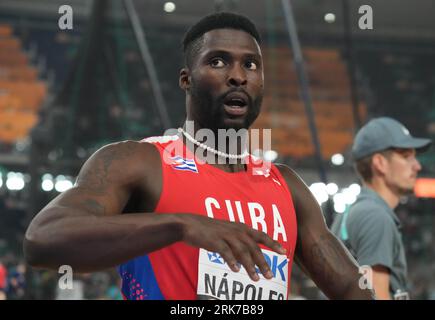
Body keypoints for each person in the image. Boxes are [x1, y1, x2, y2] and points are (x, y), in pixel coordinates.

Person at [24, 12, 374, 300]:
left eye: (251, 65)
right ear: (186, 80)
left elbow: (352, 291)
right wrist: (182, 225)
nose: (238, 75)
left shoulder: (287, 186)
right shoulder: (139, 162)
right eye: (218, 61)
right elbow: (43, 240)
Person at [331, 117, 431, 300]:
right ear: (380, 163)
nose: (417, 166)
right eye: (406, 156)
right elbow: (375, 295)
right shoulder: (375, 216)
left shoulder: (356, 209)